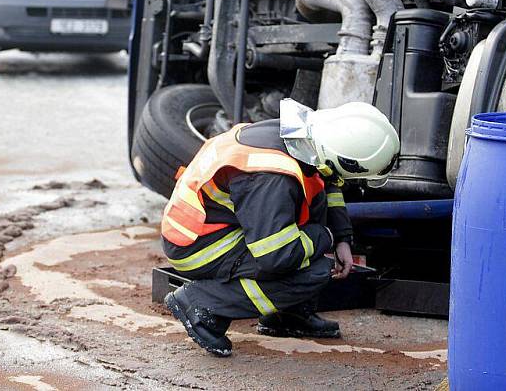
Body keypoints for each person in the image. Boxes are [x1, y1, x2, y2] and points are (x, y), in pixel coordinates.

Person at [162, 99, 400, 357]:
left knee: (310, 228)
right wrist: (326, 237)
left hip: (219, 227)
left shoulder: (305, 139)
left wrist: (343, 237)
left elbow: (328, 184)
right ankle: (201, 303)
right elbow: (275, 256)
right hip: (200, 245)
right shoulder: (272, 177)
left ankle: (288, 315)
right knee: (315, 270)